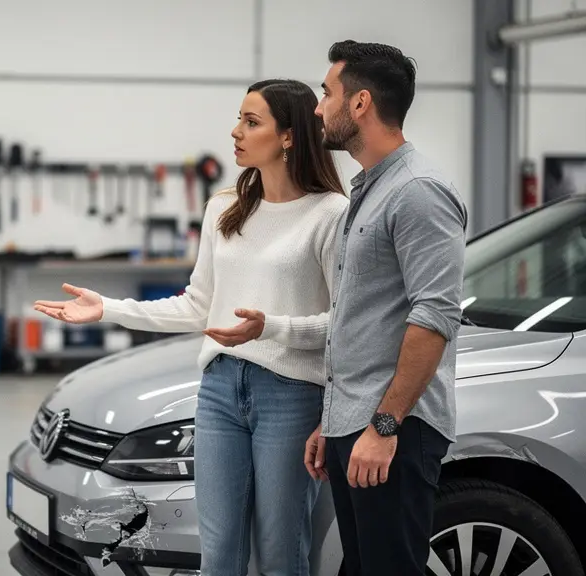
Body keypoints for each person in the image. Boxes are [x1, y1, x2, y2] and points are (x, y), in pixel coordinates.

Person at [34, 79, 348, 575]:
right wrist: (109, 309)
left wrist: (273, 328)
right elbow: (198, 306)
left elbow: (345, 323)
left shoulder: (330, 214)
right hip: (220, 390)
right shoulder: (225, 207)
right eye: (238, 119)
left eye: (251, 121)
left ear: (288, 136)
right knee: (219, 551)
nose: (235, 132)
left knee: (282, 551)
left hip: (291, 395)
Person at [305, 40, 467, 575]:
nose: (318, 107)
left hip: (395, 429)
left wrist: (385, 426)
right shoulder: (370, 189)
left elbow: (434, 316)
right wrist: (333, 420)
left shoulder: (418, 191)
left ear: (360, 104)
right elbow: (362, 319)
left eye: (327, 93)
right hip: (357, 422)